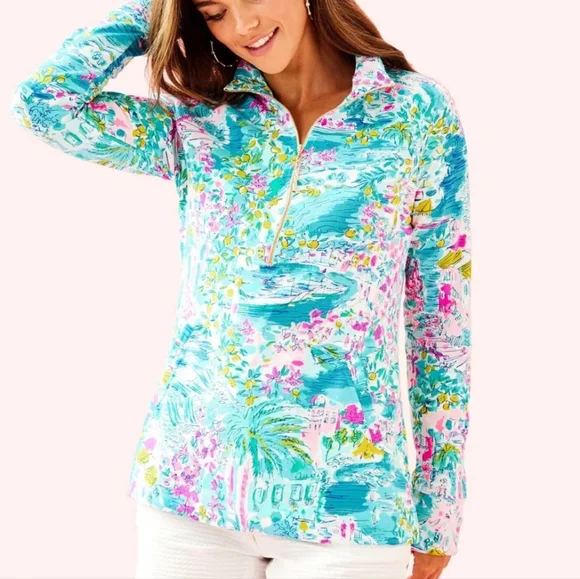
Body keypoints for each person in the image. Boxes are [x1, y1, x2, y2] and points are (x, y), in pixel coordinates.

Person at [9, 0, 472, 577]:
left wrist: (438, 511)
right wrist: (155, 8)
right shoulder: (201, 122)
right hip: (189, 492)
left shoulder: (413, 112)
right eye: (215, 11)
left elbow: (439, 323)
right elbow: (44, 105)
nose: (243, 26)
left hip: (349, 505)